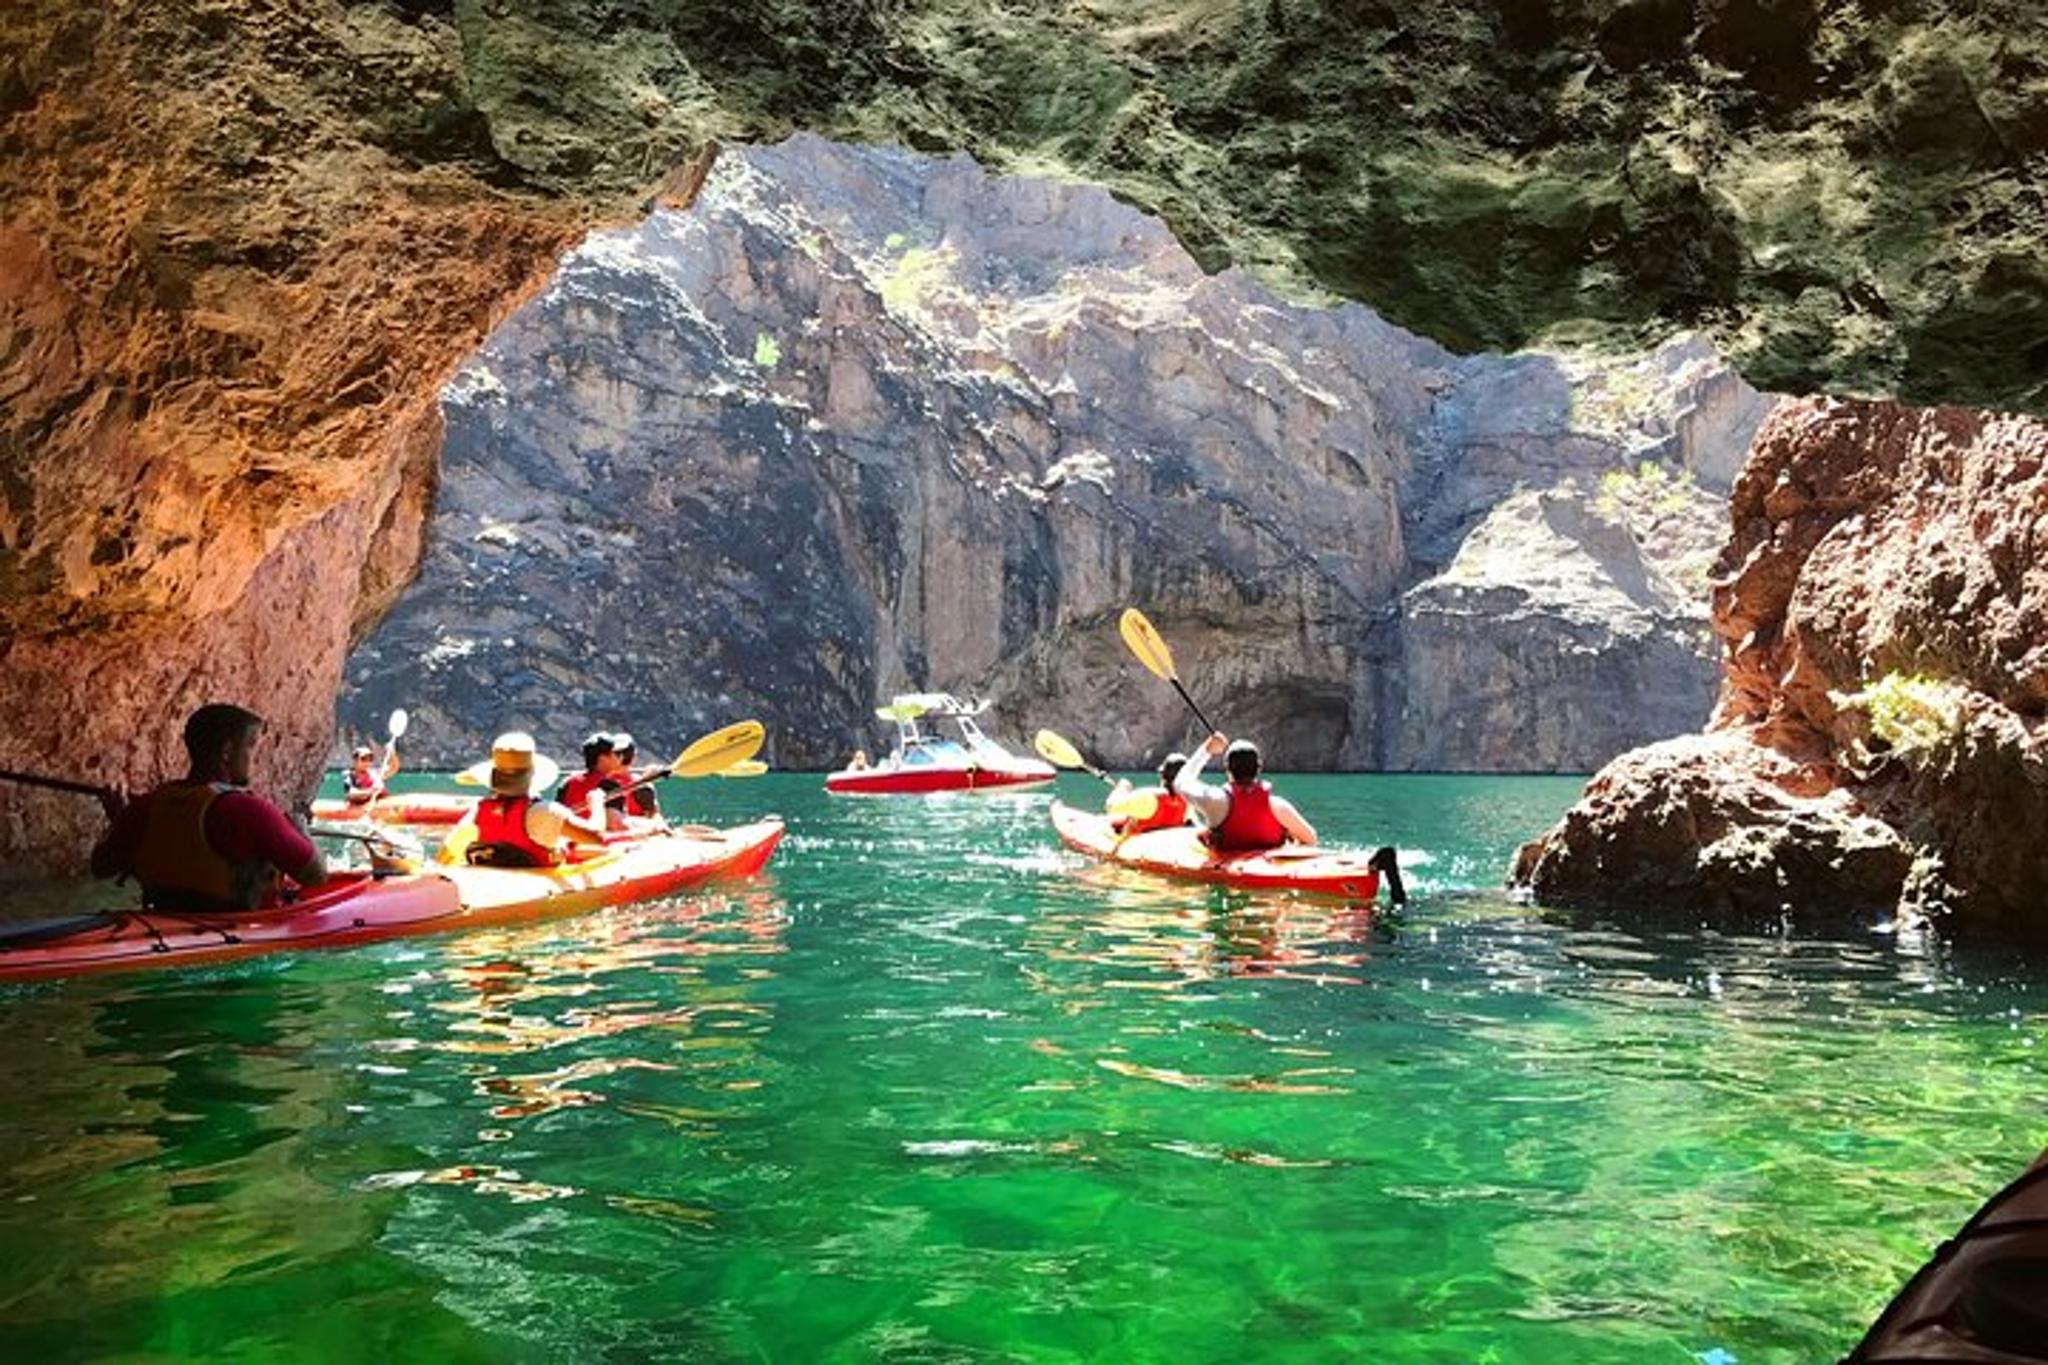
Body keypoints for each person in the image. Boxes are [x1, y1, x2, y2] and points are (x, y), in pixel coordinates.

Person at [91, 703, 327, 911]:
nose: (254, 757)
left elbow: (101, 867)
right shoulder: (249, 810)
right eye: (251, 746)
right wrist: (300, 827)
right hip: (239, 931)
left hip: (163, 918)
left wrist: (120, 821)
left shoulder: (147, 806)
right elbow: (316, 876)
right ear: (226, 752)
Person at [453, 732, 607, 868]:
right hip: (533, 888)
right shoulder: (547, 811)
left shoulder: (479, 811)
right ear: (531, 775)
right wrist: (597, 804)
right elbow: (597, 837)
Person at [1173, 732, 1317, 851]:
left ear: (1227, 769)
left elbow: (1180, 781)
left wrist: (1207, 750)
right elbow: (1311, 839)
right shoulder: (1279, 806)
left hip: (1226, 877)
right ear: (1258, 768)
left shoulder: (1214, 801)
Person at [1108, 752, 1192, 835]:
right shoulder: (1187, 800)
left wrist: (1122, 787)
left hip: (1140, 844)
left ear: (1163, 776)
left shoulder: (1150, 797)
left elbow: (1111, 806)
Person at [612, 732, 661, 820]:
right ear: (634, 757)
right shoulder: (642, 785)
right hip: (634, 829)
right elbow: (656, 819)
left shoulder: (598, 782)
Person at [343, 742, 400, 806]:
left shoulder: (375, 773)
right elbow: (351, 794)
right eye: (363, 759)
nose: (367, 762)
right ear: (355, 761)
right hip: (361, 805)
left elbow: (394, 768)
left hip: (380, 803)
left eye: (370, 759)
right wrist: (372, 791)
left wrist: (392, 753)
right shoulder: (351, 776)